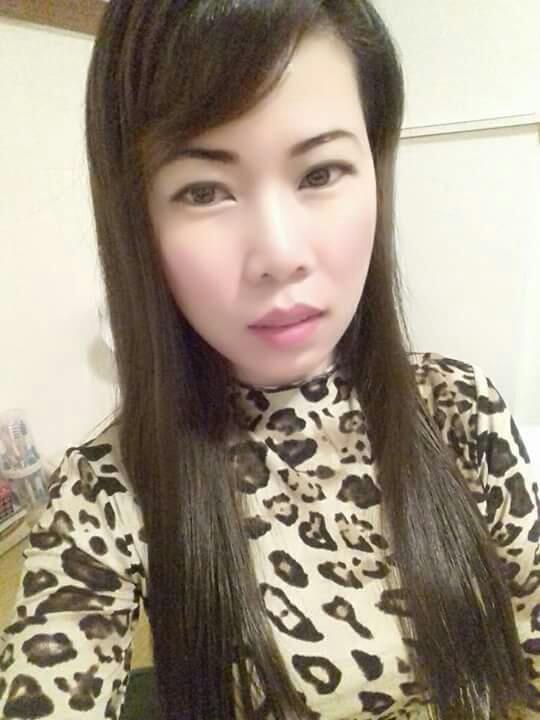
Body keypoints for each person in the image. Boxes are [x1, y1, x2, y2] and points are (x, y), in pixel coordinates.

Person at [0, 2, 538, 719]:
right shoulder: (111, 491)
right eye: (203, 191)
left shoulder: (459, 410)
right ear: (138, 221)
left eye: (320, 173)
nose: (280, 255)